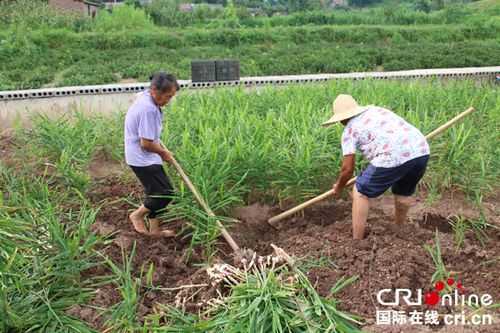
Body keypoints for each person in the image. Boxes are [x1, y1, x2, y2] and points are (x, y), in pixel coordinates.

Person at [323, 94, 430, 239]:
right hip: (421, 148)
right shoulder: (375, 110)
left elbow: (347, 169)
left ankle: (356, 241)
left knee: (360, 191)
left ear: (341, 118)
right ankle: (399, 228)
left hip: (394, 155)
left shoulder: (349, 130)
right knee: (403, 194)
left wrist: (339, 185)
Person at [124, 72, 180, 237]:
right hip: (142, 158)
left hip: (144, 156)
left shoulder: (145, 96)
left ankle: (155, 230)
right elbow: (146, 143)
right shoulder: (149, 109)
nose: (168, 101)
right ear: (155, 90)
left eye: (171, 97)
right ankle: (137, 215)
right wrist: (164, 154)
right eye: (167, 97)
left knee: (157, 193)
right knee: (165, 193)